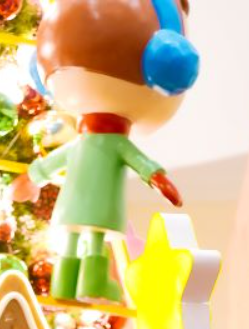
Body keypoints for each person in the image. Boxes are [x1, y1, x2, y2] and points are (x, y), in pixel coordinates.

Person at [12, 0, 199, 303]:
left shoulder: (82, 144)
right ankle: (93, 282)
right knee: (93, 241)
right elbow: (140, 162)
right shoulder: (113, 144)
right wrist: (158, 179)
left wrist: (32, 179)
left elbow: (53, 163)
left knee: (74, 240)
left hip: (71, 204)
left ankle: (65, 283)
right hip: (101, 206)